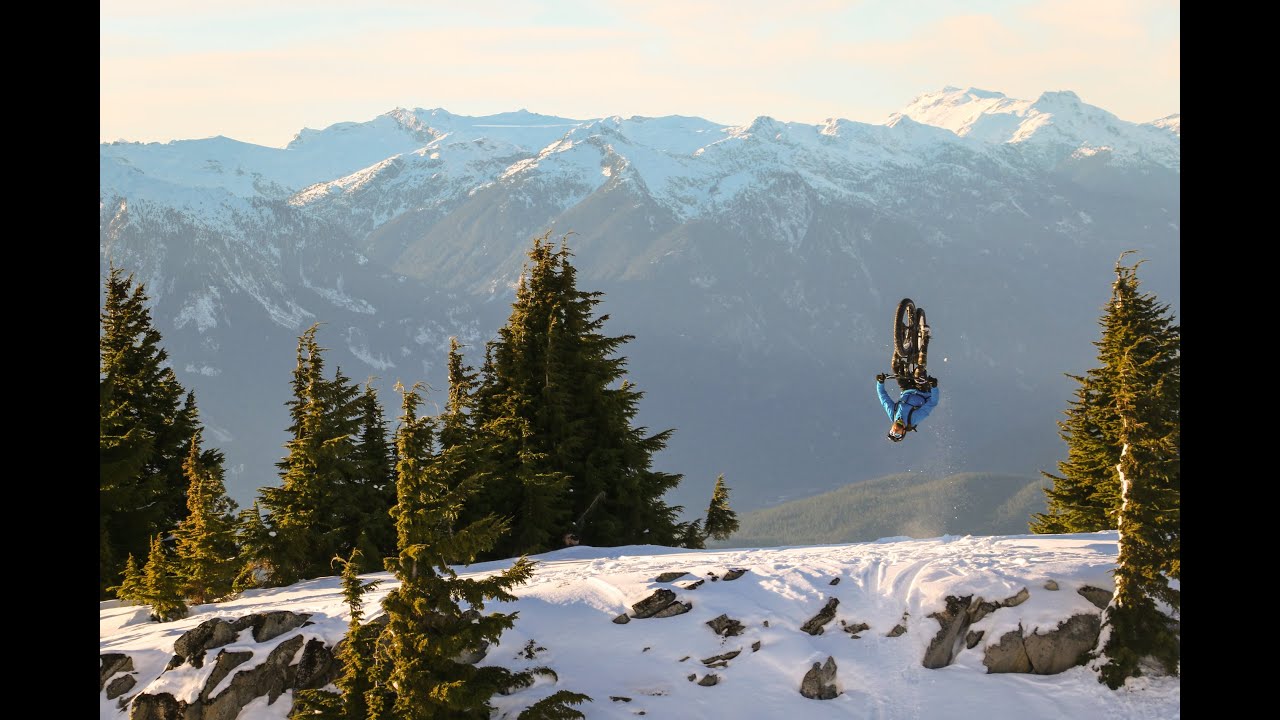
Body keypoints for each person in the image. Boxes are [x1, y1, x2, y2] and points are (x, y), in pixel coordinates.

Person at [875, 373, 939, 442]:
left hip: (907, 389)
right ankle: (921, 365)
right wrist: (934, 386)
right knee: (918, 373)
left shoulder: (893, 414)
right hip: (923, 391)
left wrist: (880, 382)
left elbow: (883, 397)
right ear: (903, 432)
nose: (895, 432)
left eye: (891, 432)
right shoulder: (913, 419)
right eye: (897, 435)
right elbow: (932, 403)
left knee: (897, 368)